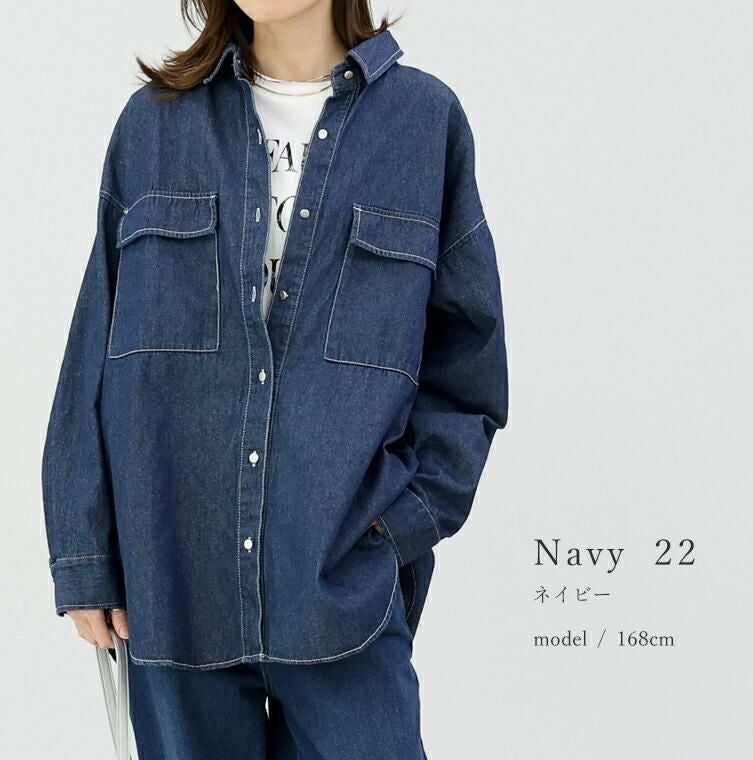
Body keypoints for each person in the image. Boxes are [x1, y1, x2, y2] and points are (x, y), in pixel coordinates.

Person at [41, 1, 509, 757]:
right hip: (173, 580)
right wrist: (84, 554)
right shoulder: (153, 127)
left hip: (340, 592)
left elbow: (468, 365)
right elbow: (94, 345)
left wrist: (396, 528)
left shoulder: (424, 123)